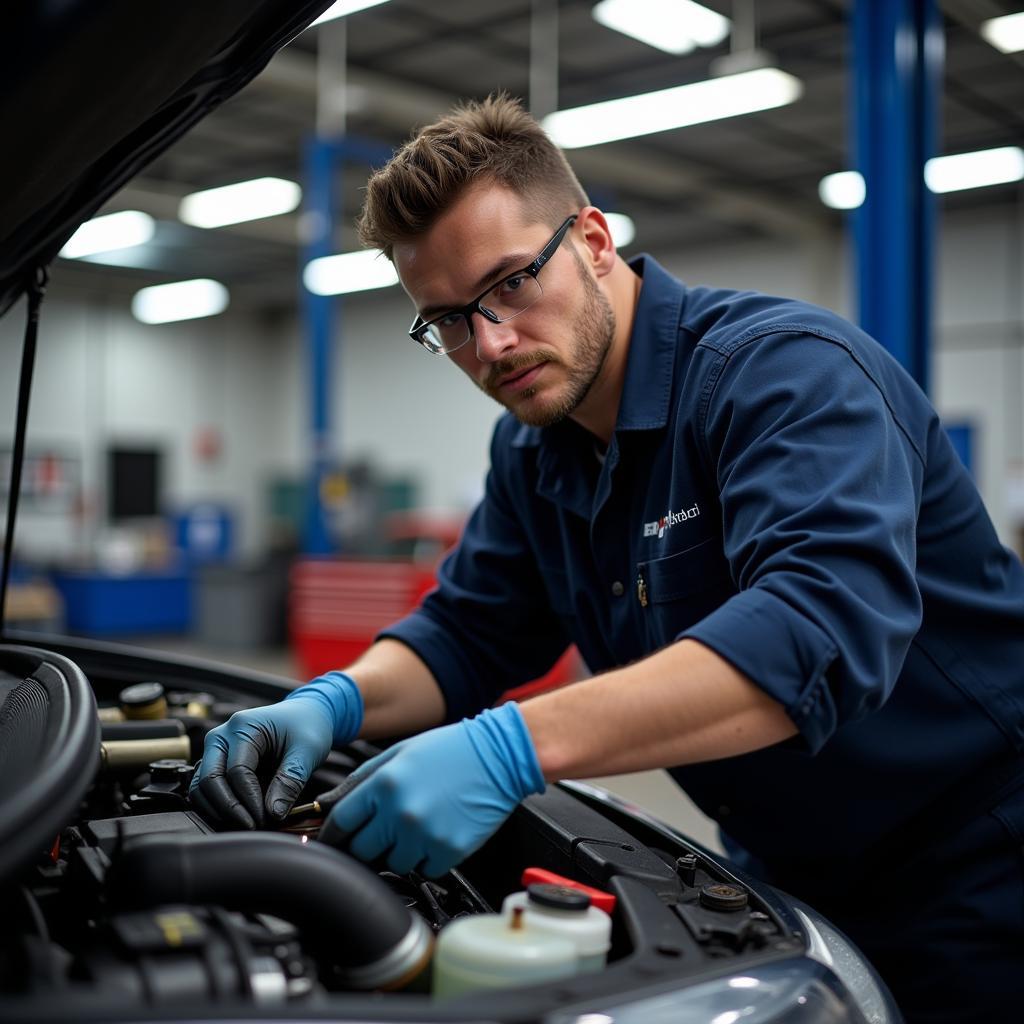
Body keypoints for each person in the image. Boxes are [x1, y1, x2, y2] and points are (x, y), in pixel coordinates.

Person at [190, 95, 1024, 1020]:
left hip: (978, 861)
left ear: (591, 239)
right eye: (450, 321)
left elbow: (815, 630)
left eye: (510, 284)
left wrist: (512, 745)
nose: (491, 344)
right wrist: (332, 701)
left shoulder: (784, 374)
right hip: (782, 870)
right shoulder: (534, 451)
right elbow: (468, 631)